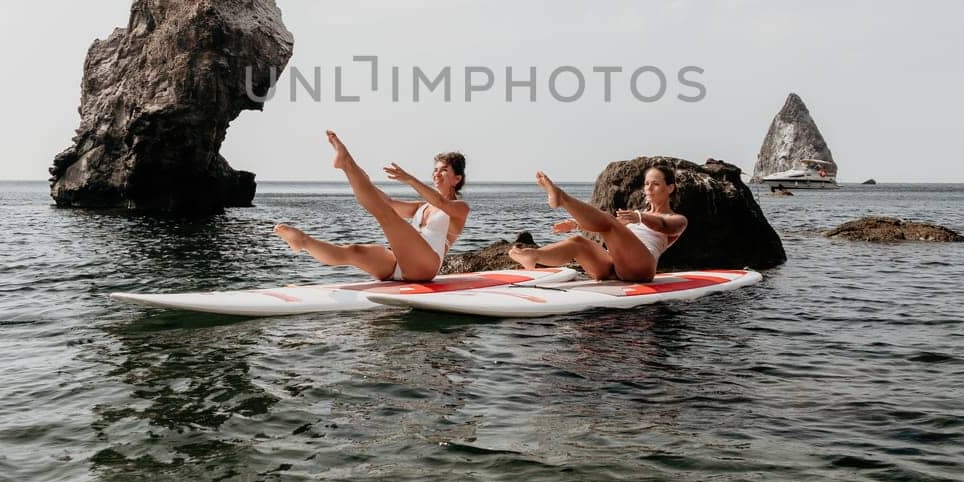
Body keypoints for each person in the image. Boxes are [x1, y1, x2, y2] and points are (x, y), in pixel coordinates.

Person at [273, 130, 469, 282]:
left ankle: (346, 162)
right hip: (400, 263)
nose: (436, 174)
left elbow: (441, 202)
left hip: (425, 267)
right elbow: (388, 203)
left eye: (444, 170)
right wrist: (362, 179)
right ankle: (303, 242)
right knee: (354, 252)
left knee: (387, 217)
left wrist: (409, 179)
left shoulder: (460, 208)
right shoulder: (422, 207)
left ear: (457, 178)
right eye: (435, 170)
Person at [509, 165, 687, 283]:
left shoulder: (677, 219)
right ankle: (533, 255)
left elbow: (663, 225)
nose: (648, 188)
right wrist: (576, 225)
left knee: (610, 223)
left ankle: (562, 198)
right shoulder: (635, 215)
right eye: (647, 183)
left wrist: (640, 217)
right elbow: (603, 227)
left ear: (670, 188)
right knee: (577, 242)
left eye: (655, 184)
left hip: (641, 269)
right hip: (613, 266)